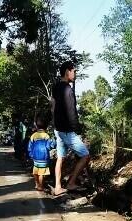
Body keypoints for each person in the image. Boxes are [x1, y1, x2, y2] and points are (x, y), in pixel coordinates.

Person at [51, 61, 90, 195]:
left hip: (57, 129)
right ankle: (71, 183)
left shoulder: (55, 87)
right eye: (74, 71)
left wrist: (54, 123)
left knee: (60, 158)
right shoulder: (68, 90)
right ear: (68, 72)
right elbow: (71, 111)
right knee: (85, 156)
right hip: (67, 131)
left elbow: (53, 106)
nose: (75, 74)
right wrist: (77, 128)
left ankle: (57, 187)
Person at [28, 115, 55, 191]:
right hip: (44, 156)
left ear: (36, 126)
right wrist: (54, 142)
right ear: (46, 127)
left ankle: (36, 184)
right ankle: (40, 186)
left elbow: (30, 146)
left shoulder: (33, 135)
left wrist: (30, 154)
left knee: (35, 170)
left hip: (35, 157)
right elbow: (49, 146)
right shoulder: (46, 136)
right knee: (41, 172)